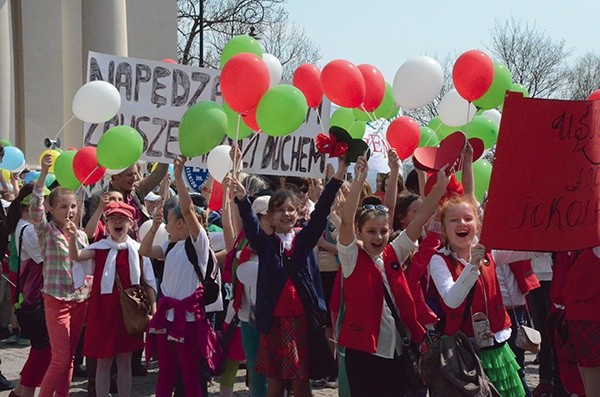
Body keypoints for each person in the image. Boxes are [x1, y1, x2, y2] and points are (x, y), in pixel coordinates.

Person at [226, 157, 347, 397]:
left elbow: (321, 212)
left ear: (299, 212)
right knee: (275, 385)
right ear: (269, 216)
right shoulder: (266, 244)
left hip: (301, 322)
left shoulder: (303, 241)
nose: (285, 214)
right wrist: (241, 199)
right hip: (273, 323)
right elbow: (250, 224)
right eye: (279, 210)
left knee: (301, 384)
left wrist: (337, 179)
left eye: (290, 209)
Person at [336, 155, 449, 397]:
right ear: (359, 231)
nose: (378, 237)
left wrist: (440, 187)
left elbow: (419, 220)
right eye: (371, 232)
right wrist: (358, 181)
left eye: (383, 231)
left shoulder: (393, 252)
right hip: (365, 353)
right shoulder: (351, 257)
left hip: (397, 350)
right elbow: (346, 221)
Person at [428, 194, 532, 397]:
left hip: (498, 347)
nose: (462, 223)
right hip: (463, 354)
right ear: (444, 227)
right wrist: (472, 266)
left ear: (478, 223)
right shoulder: (438, 260)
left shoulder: (490, 251)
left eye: (468, 218)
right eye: (454, 220)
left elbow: (530, 249)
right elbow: (452, 299)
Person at [140, 156, 218, 397]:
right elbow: (144, 251)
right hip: (168, 318)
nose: (167, 227)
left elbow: (187, 208)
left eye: (170, 222)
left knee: (190, 374)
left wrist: (179, 177)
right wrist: (153, 227)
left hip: (190, 321)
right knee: (166, 373)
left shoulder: (198, 244)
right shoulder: (170, 247)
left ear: (182, 224)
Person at [67, 201, 157, 397]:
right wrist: (73, 237)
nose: (118, 222)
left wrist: (153, 310)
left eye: (123, 219)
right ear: (106, 224)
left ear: (131, 223)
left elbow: (149, 282)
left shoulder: (138, 250)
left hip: (129, 312)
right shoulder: (99, 248)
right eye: (113, 219)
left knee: (125, 361)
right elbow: (77, 255)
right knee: (103, 361)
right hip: (102, 312)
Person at [31, 154, 90, 397]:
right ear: (51, 208)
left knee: (70, 360)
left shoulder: (81, 234)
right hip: (56, 300)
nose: (70, 211)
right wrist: (43, 174)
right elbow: (35, 205)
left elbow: (86, 266)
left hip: (79, 300)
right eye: (64, 207)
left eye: (73, 206)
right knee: (60, 358)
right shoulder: (46, 230)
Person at [6, 184, 52, 397]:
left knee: (38, 348)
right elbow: (46, 259)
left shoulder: (26, 226)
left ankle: (19, 391)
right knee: (43, 349)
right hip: (34, 299)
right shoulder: (28, 230)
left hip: (35, 297)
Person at [561, 246, 600, 396]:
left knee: (592, 380)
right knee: (586, 374)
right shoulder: (579, 245)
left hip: (592, 318)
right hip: (578, 318)